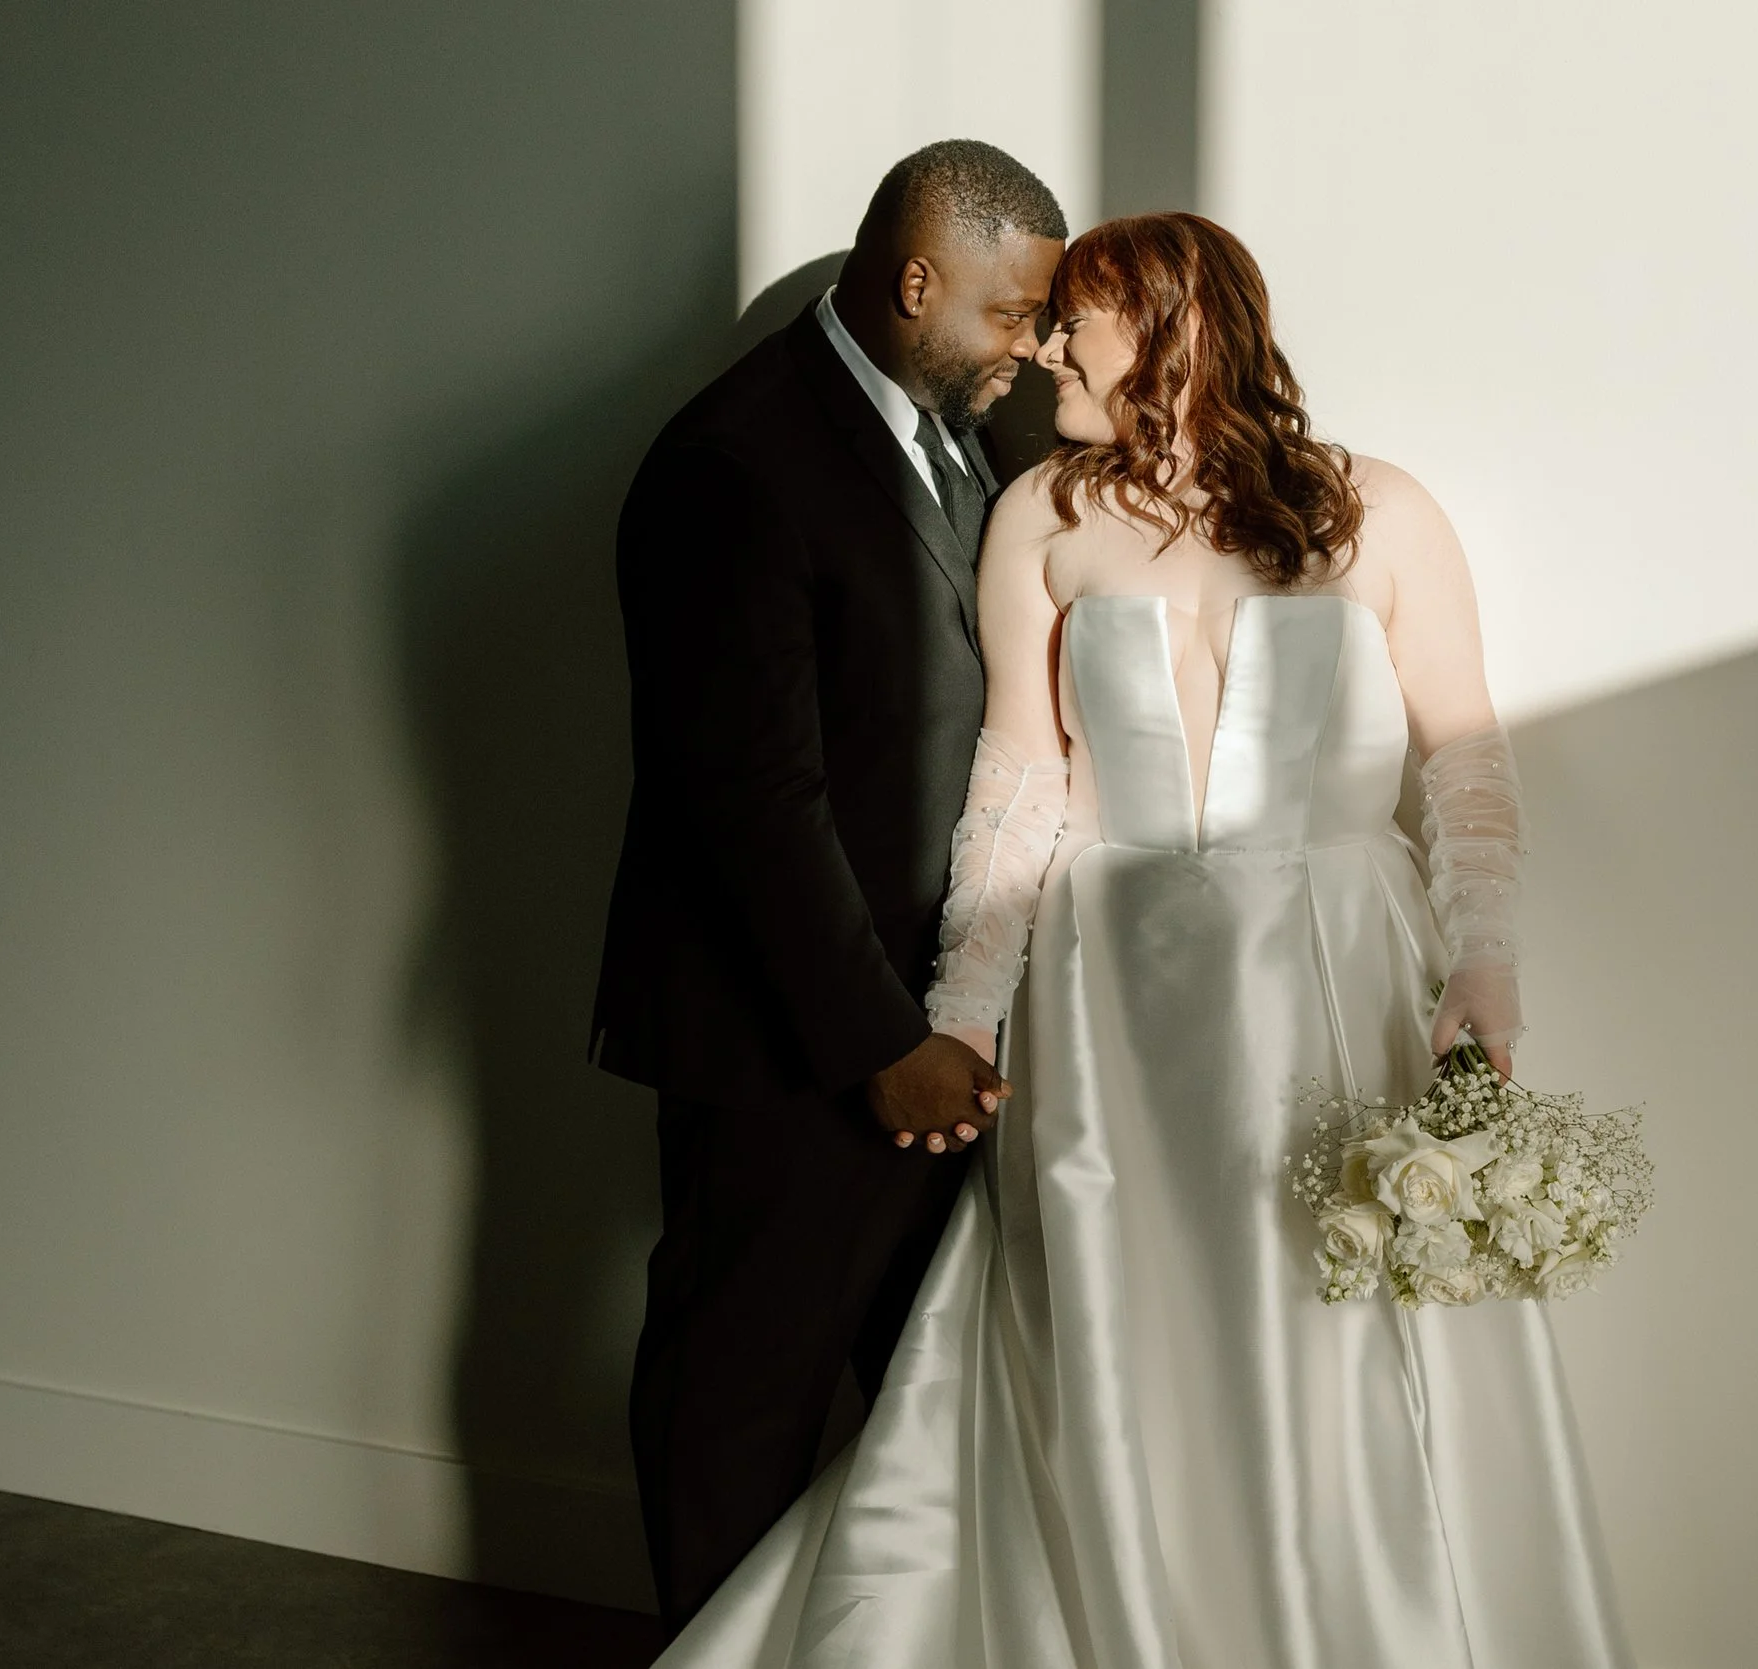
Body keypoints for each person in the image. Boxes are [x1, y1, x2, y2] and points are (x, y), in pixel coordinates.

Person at [650, 212, 1631, 1667]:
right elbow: (1020, 778)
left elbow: (1468, 763)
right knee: (1117, 1335)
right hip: (1110, 1002)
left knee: (1322, 1316)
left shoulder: (1386, 511)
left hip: (1331, 978)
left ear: (1169, 328)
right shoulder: (1038, 512)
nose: (1046, 342)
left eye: (1077, 320)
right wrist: (966, 1014)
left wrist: (1482, 967)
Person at [592, 140, 1066, 1629]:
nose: (1032, 350)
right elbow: (752, 803)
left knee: (915, 1404)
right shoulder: (734, 464)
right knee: (739, 1401)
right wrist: (885, 1045)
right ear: (916, 281)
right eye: (1010, 314)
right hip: (790, 1041)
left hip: (936, 1029)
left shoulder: (958, 430)